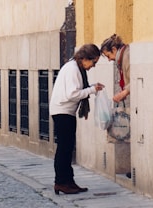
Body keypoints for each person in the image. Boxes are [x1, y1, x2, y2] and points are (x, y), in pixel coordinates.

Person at [49, 44, 104, 195]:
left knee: (67, 148)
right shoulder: (73, 69)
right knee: (64, 149)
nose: (93, 66)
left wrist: (92, 87)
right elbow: (72, 94)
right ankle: (61, 182)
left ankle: (68, 181)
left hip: (65, 111)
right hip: (63, 111)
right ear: (85, 58)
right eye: (93, 62)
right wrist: (92, 90)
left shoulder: (74, 67)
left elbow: (77, 90)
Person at [100, 34, 131, 178]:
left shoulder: (127, 55)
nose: (109, 59)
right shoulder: (122, 57)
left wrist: (124, 93)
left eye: (108, 55)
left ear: (114, 49)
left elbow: (134, 78)